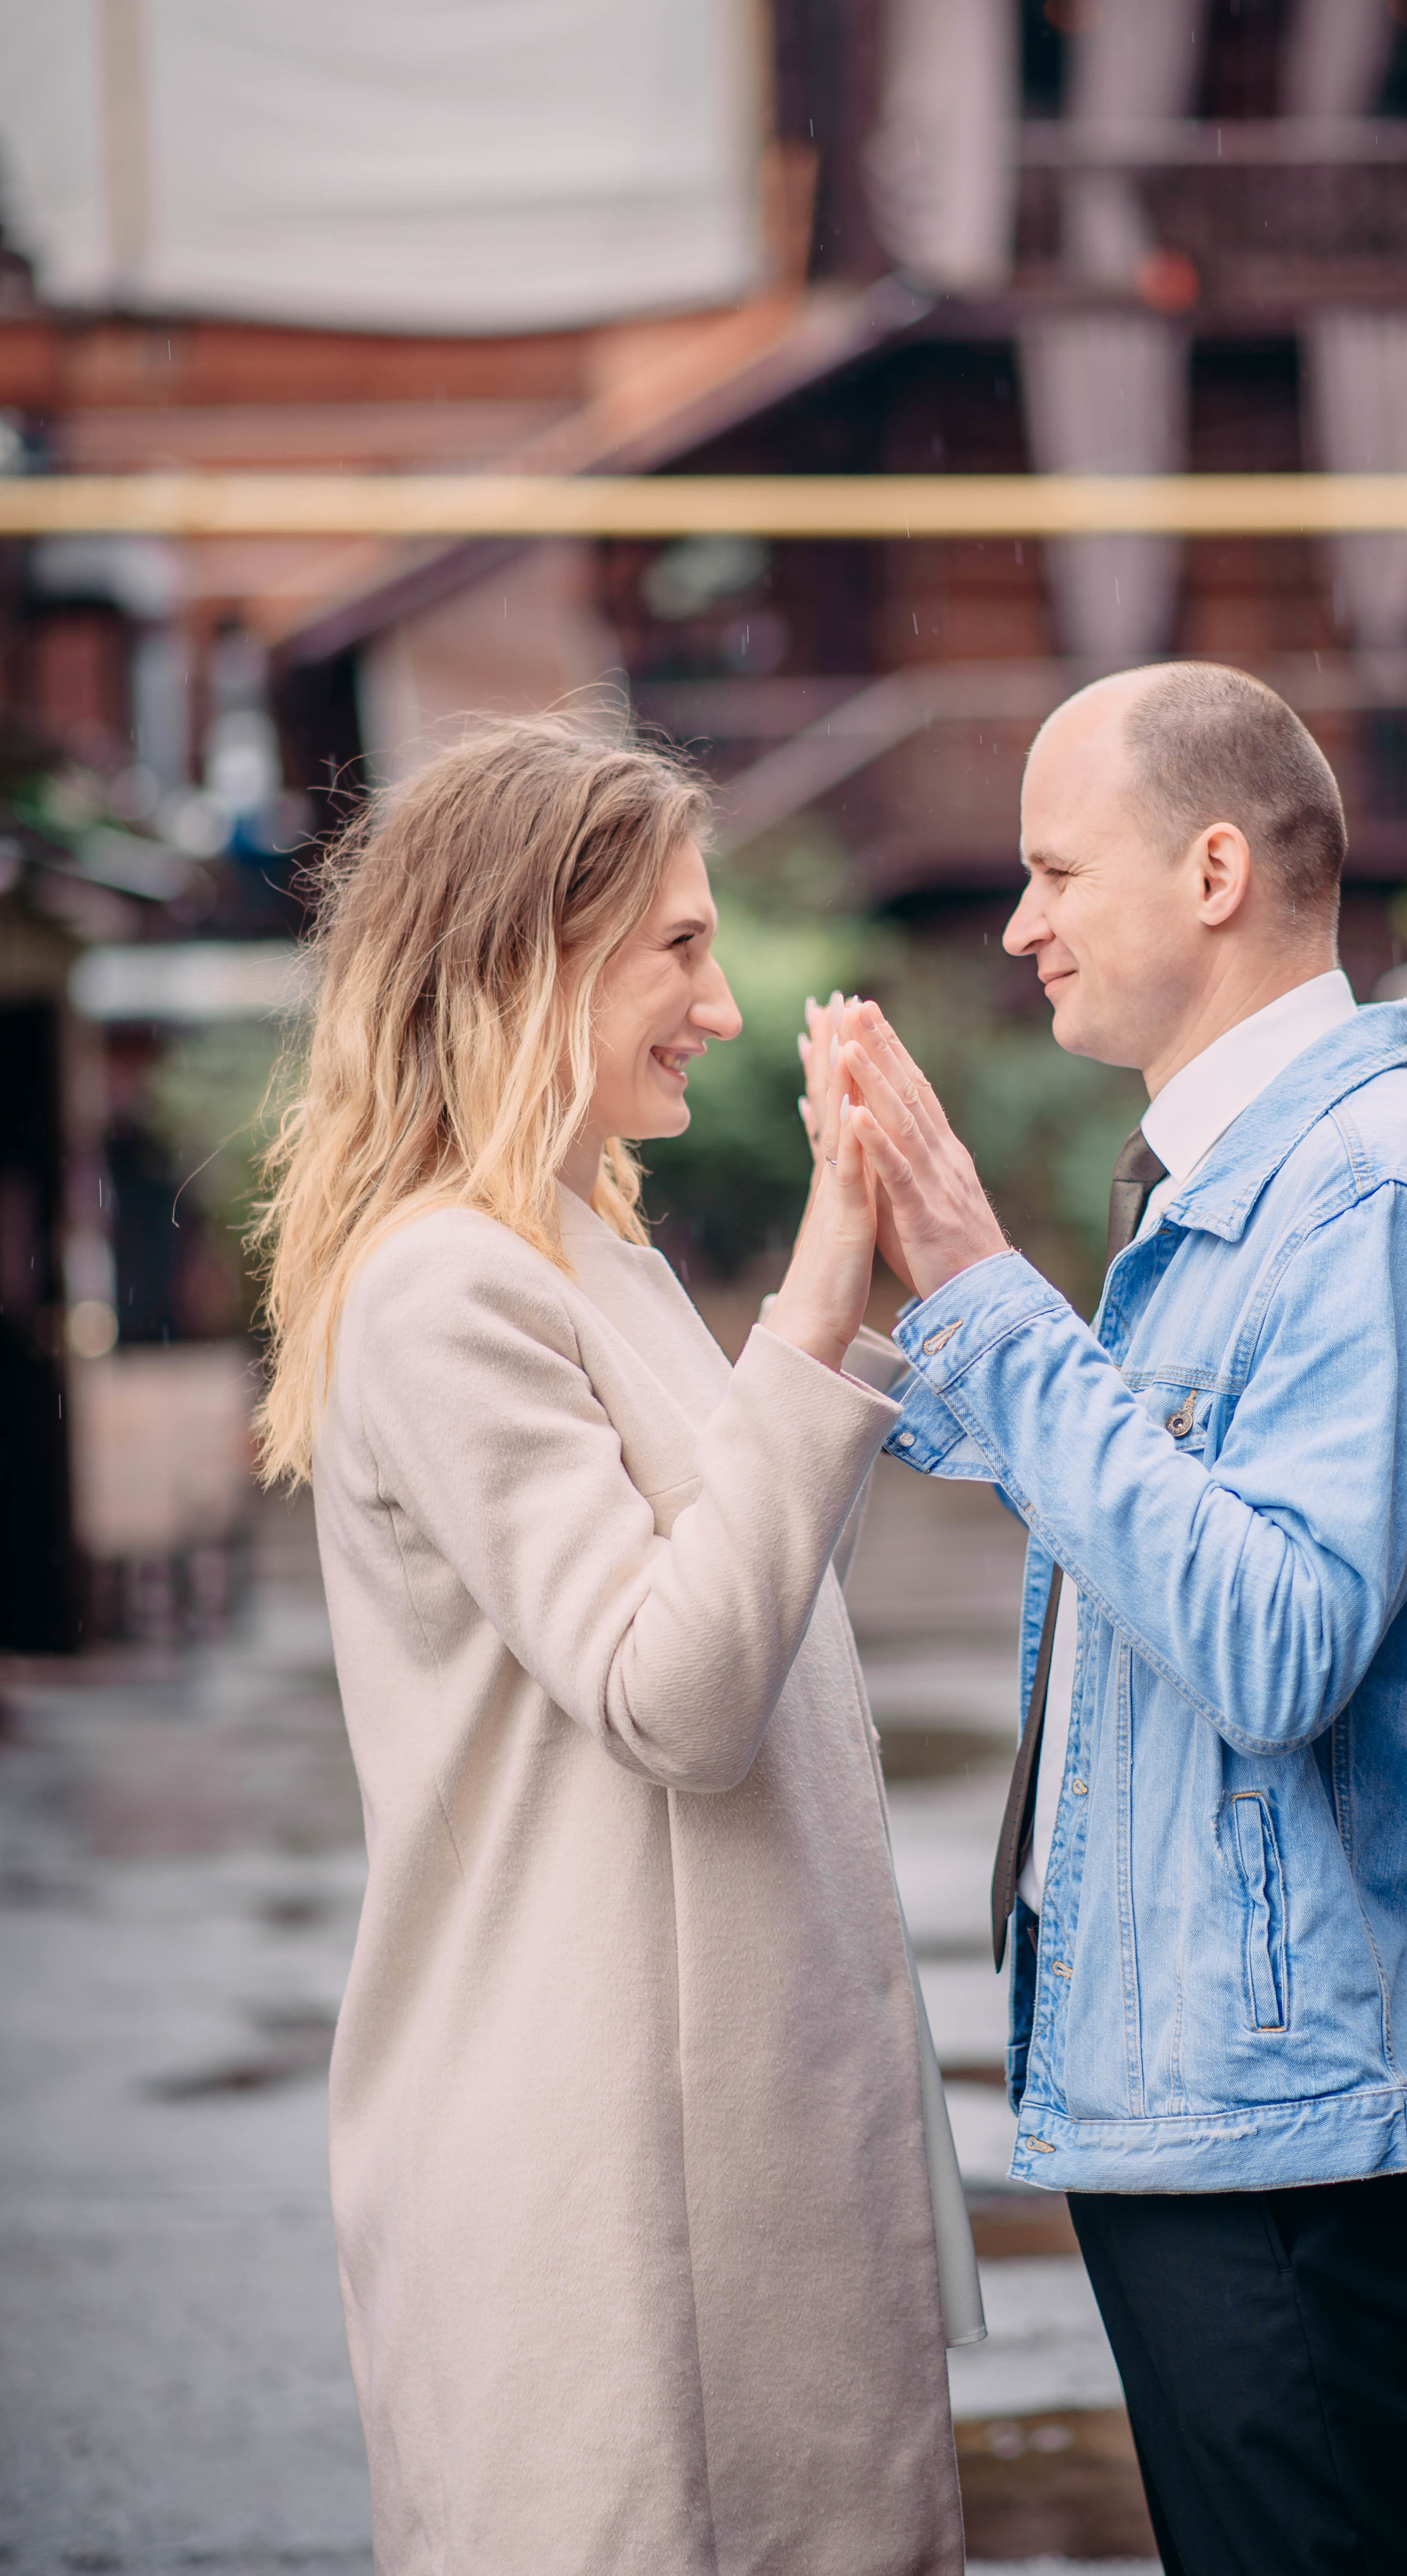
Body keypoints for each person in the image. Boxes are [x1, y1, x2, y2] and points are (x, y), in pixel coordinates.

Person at [826, 662, 1407, 2576]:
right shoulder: (1249, 1181)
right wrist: (838, 1350)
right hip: (1238, 2101)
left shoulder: (1376, 1193)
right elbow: (1159, 1510)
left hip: (1307, 2119)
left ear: (1216, 869)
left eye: (1055, 871)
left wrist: (982, 1285)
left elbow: (1269, 1636)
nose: (1018, 926)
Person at [252, 718, 977, 2576]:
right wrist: (826, 1282)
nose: (723, 1006)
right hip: (612, 2213)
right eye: (678, 946)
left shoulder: (582, 1248)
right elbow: (679, 1691)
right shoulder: (443, 1286)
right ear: (528, 953)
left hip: (718, 2185)